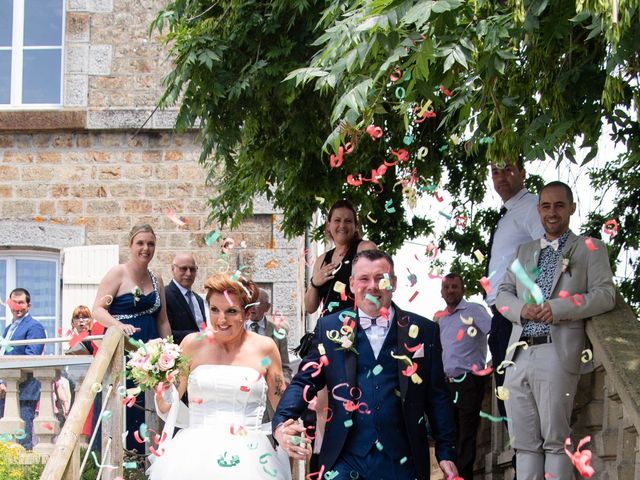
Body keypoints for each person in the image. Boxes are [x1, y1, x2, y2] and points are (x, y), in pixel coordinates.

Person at [273, 249, 458, 480]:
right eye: (364, 279)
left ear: (394, 283)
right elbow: (304, 380)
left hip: (402, 460)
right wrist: (281, 421)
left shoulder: (423, 331)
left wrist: (446, 450)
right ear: (351, 284)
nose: (373, 286)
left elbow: (437, 395)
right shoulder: (329, 328)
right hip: (344, 458)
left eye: (382, 278)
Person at [496, 181, 615, 479]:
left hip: (556, 349)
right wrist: (521, 310)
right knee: (523, 444)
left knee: (555, 441)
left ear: (572, 208)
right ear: (538, 210)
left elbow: (605, 295)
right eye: (546, 206)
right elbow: (502, 294)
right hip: (519, 352)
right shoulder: (524, 251)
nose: (552, 212)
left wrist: (559, 309)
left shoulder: (589, 248)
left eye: (559, 205)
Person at [148, 272, 297, 479]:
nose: (221, 320)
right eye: (214, 310)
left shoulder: (265, 348)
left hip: (251, 455)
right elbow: (167, 405)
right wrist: (159, 382)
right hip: (194, 453)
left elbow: (281, 404)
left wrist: (290, 433)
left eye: (231, 311)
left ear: (247, 313)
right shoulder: (192, 344)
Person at [92, 223, 171, 455]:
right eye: (141, 243)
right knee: (125, 400)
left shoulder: (157, 278)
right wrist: (119, 326)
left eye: (150, 244)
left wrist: (169, 351)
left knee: (149, 404)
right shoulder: (118, 273)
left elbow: (163, 319)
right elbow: (97, 309)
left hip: (151, 348)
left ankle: (146, 457)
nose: (146, 248)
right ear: (130, 245)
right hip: (124, 348)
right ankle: (120, 454)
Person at [485, 159, 544, 418]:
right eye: (495, 172)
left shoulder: (531, 207)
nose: (501, 177)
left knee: (517, 402)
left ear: (522, 172)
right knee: (507, 398)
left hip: (518, 314)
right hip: (502, 314)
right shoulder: (509, 212)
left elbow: (549, 247)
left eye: (507, 170)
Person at [436, 273, 492, 480]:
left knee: (466, 436)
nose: (450, 290)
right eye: (447, 287)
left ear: (463, 290)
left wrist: (494, 361)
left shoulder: (474, 310)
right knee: (449, 434)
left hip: (469, 381)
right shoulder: (441, 320)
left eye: (455, 286)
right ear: (441, 292)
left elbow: (493, 331)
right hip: (446, 384)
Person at [304, 199, 376, 316]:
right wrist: (314, 283)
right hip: (329, 329)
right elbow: (310, 308)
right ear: (329, 224)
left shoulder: (365, 248)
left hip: (359, 327)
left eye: (348, 221)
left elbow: (378, 286)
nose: (342, 225)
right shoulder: (322, 260)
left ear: (355, 225)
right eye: (337, 220)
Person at [0, 288, 47, 450]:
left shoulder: (34, 327)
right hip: (5, 389)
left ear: (29, 306)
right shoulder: (8, 329)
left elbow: (31, 359)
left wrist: (7, 382)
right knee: (6, 439)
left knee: (22, 439)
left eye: (21, 303)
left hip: (24, 390)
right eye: (14, 302)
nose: (17, 307)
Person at [246, 288, 292, 383]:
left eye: (257, 303)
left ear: (267, 307)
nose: (252, 307)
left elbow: (285, 367)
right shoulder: (237, 329)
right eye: (249, 302)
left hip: (268, 390)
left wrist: (283, 388)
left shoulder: (278, 333)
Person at [165, 253, 206, 345]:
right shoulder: (165, 295)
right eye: (183, 268)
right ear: (173, 269)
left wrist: (206, 332)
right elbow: (166, 332)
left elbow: (201, 324)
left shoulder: (199, 299)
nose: (188, 273)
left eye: (192, 269)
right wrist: (197, 335)